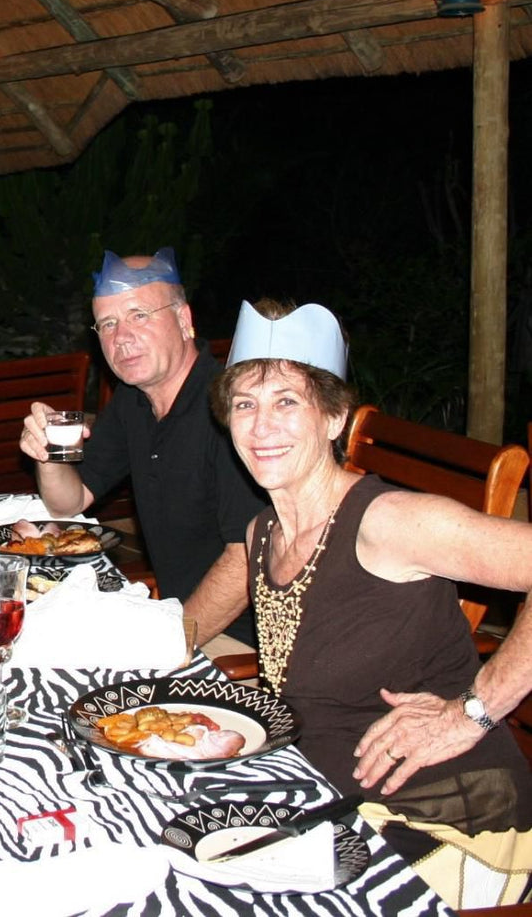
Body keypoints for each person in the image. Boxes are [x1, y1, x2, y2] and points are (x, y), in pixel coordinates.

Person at [193, 297, 532, 906]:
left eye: (286, 402)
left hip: (451, 815)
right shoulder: (261, 534)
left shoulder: (390, 522)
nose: (260, 425)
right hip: (329, 796)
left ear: (332, 419)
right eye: (245, 404)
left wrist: (472, 712)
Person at [19, 248, 265, 647]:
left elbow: (246, 562)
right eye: (108, 324)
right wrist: (50, 456)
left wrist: (167, 644)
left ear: (184, 320)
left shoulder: (231, 412)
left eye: (139, 316)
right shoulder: (135, 400)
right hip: (170, 615)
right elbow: (69, 503)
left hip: (232, 641)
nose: (122, 337)